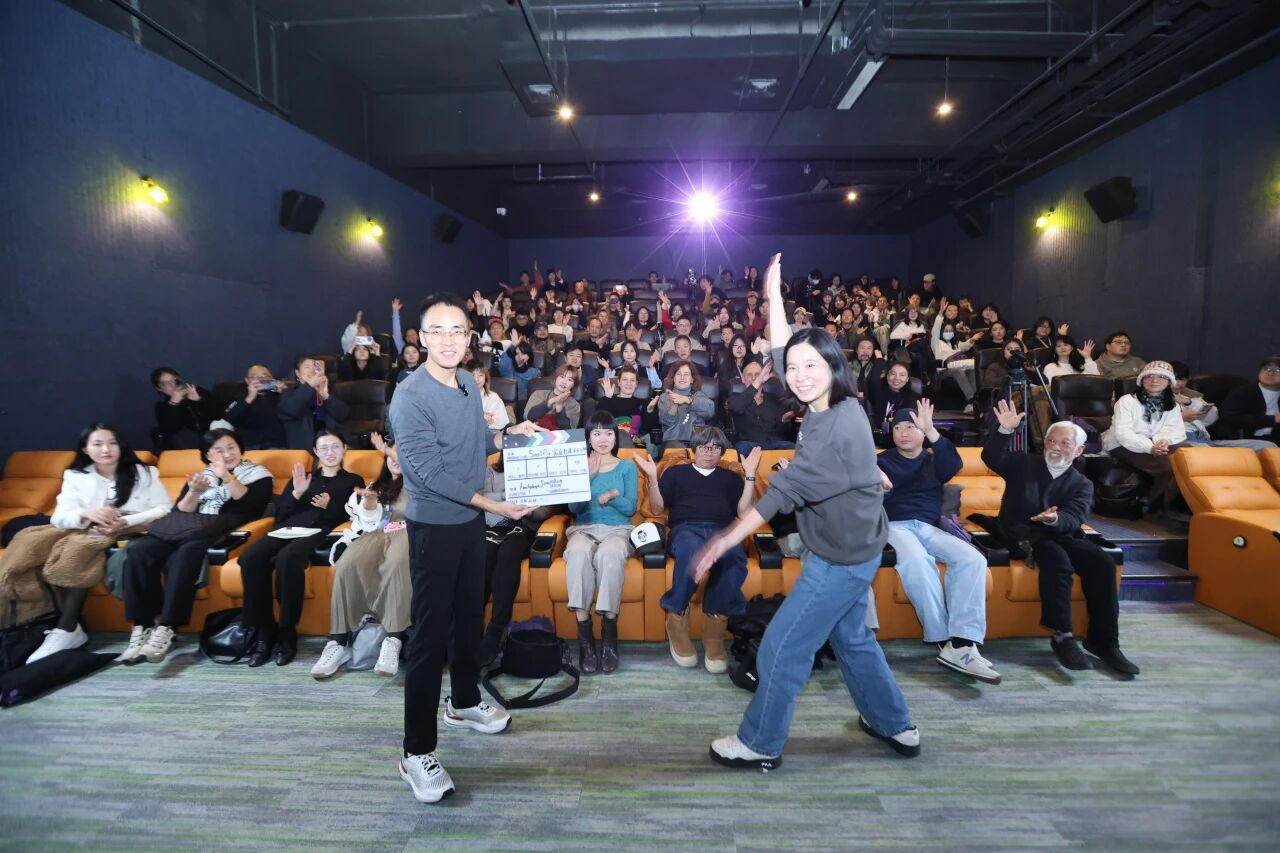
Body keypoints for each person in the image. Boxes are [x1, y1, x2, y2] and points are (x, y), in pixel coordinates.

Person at [693, 252, 918, 770]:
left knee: (781, 648)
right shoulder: (832, 403)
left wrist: (722, 541)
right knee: (853, 640)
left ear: (834, 366)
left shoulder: (837, 425)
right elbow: (782, 351)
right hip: (852, 547)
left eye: (811, 366)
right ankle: (894, 724)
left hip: (838, 560)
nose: (797, 375)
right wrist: (772, 295)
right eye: (793, 368)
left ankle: (760, 742)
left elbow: (781, 495)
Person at [386, 293, 543, 805]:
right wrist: (494, 506)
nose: (449, 339)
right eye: (439, 330)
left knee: (470, 615)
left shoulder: (468, 386)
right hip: (434, 528)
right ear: (422, 337)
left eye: (458, 330)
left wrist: (512, 433)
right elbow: (430, 474)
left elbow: (477, 444)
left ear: (469, 337)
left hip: (471, 522)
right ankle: (415, 753)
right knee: (430, 638)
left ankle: (465, 701)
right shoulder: (409, 397)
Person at [984, 400, 1138, 675]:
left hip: (1062, 532)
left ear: (1078, 450)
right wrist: (1004, 431)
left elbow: (1074, 517)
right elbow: (992, 458)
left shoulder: (1082, 484)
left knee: (1102, 562)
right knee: (1057, 560)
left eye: (1065, 443)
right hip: (1022, 534)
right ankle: (1062, 636)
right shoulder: (1023, 464)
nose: (1055, 447)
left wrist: (1054, 519)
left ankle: (1104, 642)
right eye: (1051, 441)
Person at [0, 424, 171, 663]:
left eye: (112, 443)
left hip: (132, 527)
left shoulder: (144, 473)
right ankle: (27, 620)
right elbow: (59, 517)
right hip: (84, 526)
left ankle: (67, 628)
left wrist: (125, 521)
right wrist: (86, 513)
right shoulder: (76, 476)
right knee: (28, 540)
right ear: (85, 449)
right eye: (97, 444)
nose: (106, 449)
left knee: (79, 548)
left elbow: (164, 509)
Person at [119, 429, 273, 664]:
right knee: (138, 550)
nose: (226, 454)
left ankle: (167, 627)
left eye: (231, 447)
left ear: (240, 448)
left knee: (186, 554)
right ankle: (143, 625)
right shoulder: (203, 476)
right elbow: (180, 511)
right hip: (188, 527)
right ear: (207, 455)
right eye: (218, 450)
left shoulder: (258, 474)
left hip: (221, 528)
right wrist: (194, 491)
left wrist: (227, 476)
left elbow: (251, 505)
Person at [877, 402, 999, 683]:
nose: (903, 433)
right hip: (894, 525)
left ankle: (963, 640)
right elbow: (865, 495)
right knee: (917, 561)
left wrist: (932, 430)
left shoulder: (934, 460)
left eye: (910, 427)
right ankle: (944, 639)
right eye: (897, 427)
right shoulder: (881, 462)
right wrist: (879, 486)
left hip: (929, 527)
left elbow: (953, 465)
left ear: (922, 431)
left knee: (972, 558)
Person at [633, 427, 757, 674]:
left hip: (721, 531)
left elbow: (744, 513)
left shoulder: (731, 478)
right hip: (686, 528)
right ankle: (676, 615)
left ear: (722, 451)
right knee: (690, 550)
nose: (709, 452)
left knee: (734, 558)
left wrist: (750, 475)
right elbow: (657, 509)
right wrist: (653, 478)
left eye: (715, 448)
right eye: (704, 447)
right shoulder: (676, 473)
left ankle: (714, 628)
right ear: (694, 449)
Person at [238, 430, 362, 667]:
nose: (330, 452)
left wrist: (330, 506)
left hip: (319, 532)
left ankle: (287, 634)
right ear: (315, 451)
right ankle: (264, 631)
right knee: (250, 557)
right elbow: (281, 514)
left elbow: (355, 516)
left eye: (335, 447)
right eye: (323, 448)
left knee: (287, 559)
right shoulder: (303, 477)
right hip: (287, 529)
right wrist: (296, 492)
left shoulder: (352, 481)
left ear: (345, 448)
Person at [312, 441, 412, 679]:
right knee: (347, 564)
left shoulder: (418, 483)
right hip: (378, 534)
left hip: (409, 533)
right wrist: (369, 502)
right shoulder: (375, 486)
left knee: (396, 563)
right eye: (391, 455)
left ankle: (393, 638)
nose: (395, 459)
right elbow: (369, 523)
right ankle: (337, 642)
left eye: (402, 453)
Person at [563, 412, 639, 675]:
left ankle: (609, 636)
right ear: (588, 438)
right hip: (584, 529)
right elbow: (573, 508)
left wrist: (614, 496)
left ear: (616, 437)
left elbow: (630, 509)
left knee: (610, 553)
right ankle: (585, 640)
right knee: (577, 552)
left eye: (608, 433)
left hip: (618, 530)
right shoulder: (579, 465)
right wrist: (589, 476)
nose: (603, 438)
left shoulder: (627, 467)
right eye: (596, 433)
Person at [477, 457, 554, 667]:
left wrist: (528, 508)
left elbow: (545, 510)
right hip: (491, 527)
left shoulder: (540, 473)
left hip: (522, 529)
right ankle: (472, 627)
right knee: (484, 556)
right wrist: (506, 497)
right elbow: (481, 498)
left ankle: (497, 628)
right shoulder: (491, 471)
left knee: (508, 555)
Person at [1102, 360, 1188, 517]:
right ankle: (1156, 507)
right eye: (1149, 376)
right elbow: (1123, 433)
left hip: (1156, 442)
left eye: (1162, 376)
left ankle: (1186, 505)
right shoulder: (1127, 401)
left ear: (1169, 381)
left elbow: (1176, 430)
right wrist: (1149, 447)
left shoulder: (1172, 404)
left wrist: (1164, 440)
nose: (1155, 380)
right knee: (1168, 466)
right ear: (1142, 380)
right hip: (1122, 444)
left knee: (1189, 457)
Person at [278, 355, 351, 450]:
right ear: (298, 373)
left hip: (333, 442)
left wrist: (326, 396)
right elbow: (290, 410)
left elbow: (343, 415)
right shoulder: (288, 392)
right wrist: (310, 386)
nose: (312, 370)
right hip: (305, 446)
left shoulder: (329, 389)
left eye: (316, 366)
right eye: (307, 367)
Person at [728, 360, 794, 457]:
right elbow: (737, 408)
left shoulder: (775, 399)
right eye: (749, 375)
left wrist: (784, 420)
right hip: (749, 445)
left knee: (793, 447)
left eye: (757, 374)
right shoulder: (735, 398)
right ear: (743, 379)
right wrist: (759, 379)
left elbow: (785, 433)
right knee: (741, 448)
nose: (754, 378)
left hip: (775, 445)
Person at [1212, 356, 1280, 446]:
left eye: (1277, 370)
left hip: (1273, 439)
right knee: (1269, 446)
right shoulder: (1243, 393)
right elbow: (1230, 419)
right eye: (1266, 368)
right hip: (1239, 439)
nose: (1270, 373)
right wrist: (1272, 419)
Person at [151, 367, 220, 450]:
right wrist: (173, 403)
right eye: (166, 383)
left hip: (210, 433)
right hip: (185, 442)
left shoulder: (197, 391)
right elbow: (169, 430)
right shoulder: (162, 406)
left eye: (174, 380)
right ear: (159, 388)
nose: (173, 385)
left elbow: (217, 414)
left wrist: (198, 400)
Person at [220, 364, 287, 449]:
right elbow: (229, 418)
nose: (261, 379)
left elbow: (291, 413)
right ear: (247, 381)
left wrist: (285, 394)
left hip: (276, 444)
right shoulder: (239, 395)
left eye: (265, 376)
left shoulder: (279, 395)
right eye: (255, 377)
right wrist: (250, 398)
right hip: (249, 444)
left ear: (272, 379)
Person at [657, 360, 715, 449]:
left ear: (692, 379)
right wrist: (674, 405)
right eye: (678, 374)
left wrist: (687, 400)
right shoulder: (665, 397)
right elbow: (666, 422)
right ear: (673, 378)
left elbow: (710, 411)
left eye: (686, 374)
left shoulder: (699, 395)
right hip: (673, 441)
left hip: (697, 442)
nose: (682, 378)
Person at [597, 365, 653, 441]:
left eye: (632, 380)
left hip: (634, 442)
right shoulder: (607, 400)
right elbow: (598, 423)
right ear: (619, 382)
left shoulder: (642, 403)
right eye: (625, 379)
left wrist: (649, 411)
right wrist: (607, 399)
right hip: (612, 441)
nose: (628, 383)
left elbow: (647, 429)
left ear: (636, 384)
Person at [867, 360, 920, 434]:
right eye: (893, 374)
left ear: (907, 379)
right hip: (877, 435)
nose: (897, 378)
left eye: (902, 375)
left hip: (902, 436)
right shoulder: (877, 392)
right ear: (887, 376)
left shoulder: (914, 399)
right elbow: (872, 380)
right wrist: (880, 360)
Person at [525, 364, 581, 429]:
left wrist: (559, 406)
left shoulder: (574, 405)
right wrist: (551, 401)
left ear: (573, 385)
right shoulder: (538, 394)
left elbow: (569, 430)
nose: (564, 382)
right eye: (562, 377)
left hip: (558, 435)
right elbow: (528, 417)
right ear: (556, 378)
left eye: (570, 380)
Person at [472, 366, 510, 433]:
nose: (476, 379)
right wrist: (481, 416)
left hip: (489, 434)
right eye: (472, 375)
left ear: (485, 378)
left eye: (480, 375)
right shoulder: (459, 396)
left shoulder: (493, 397)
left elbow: (502, 422)